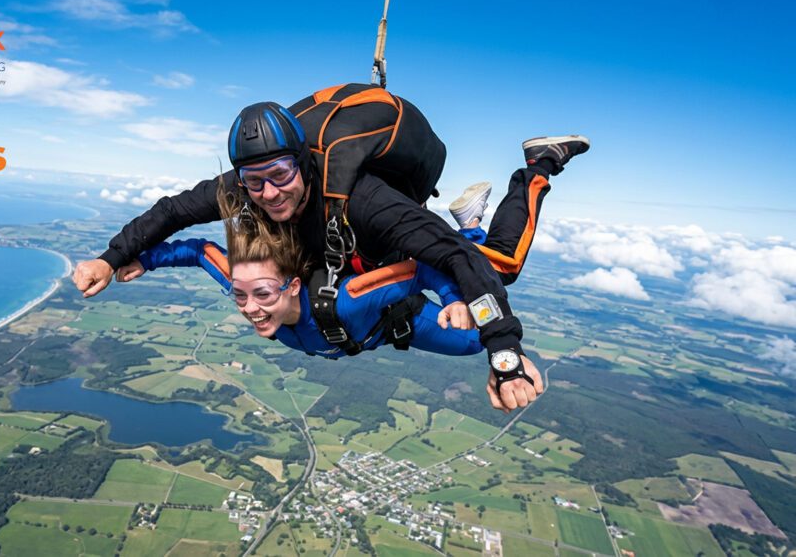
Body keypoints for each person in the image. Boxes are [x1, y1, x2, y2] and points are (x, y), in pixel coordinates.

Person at [73, 83, 589, 400]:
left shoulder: (362, 199)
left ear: (302, 162)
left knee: (494, 271)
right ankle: (469, 220)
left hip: (390, 272)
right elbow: (178, 221)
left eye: (279, 174)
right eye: (255, 182)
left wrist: (501, 353)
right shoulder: (244, 193)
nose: (269, 193)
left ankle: (538, 166)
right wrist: (115, 257)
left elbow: (442, 260)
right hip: (365, 281)